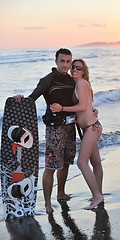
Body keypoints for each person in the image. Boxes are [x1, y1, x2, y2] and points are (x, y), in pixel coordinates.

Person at [15, 48, 76, 214]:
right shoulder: (47, 80)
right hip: (55, 129)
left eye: (68, 61)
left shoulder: (72, 80)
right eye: (62, 61)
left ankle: (61, 193)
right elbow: (32, 98)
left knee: (66, 162)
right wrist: (21, 99)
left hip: (71, 127)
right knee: (51, 166)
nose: (65, 65)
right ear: (56, 61)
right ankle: (48, 203)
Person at [50, 59, 104, 210]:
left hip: (91, 128)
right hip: (91, 127)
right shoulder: (81, 84)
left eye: (78, 68)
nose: (74, 69)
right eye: (73, 67)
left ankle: (97, 196)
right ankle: (97, 194)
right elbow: (89, 106)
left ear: (84, 71)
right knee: (96, 163)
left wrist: (61, 109)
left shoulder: (81, 83)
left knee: (82, 162)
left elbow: (82, 106)